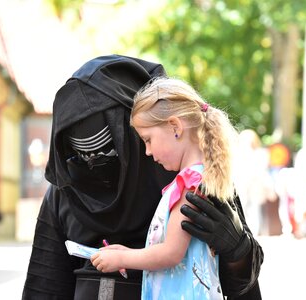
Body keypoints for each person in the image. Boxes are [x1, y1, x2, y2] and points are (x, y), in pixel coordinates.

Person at [21, 55, 263, 299]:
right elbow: (44, 286)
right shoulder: (68, 188)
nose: (95, 165)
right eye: (83, 157)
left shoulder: (194, 179)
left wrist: (237, 249)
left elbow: (240, 284)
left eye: (106, 151)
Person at [91, 76, 240, 299]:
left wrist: (123, 259)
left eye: (148, 140)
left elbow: (172, 253)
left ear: (175, 127)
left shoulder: (190, 183)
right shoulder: (196, 179)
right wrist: (128, 253)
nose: (147, 152)